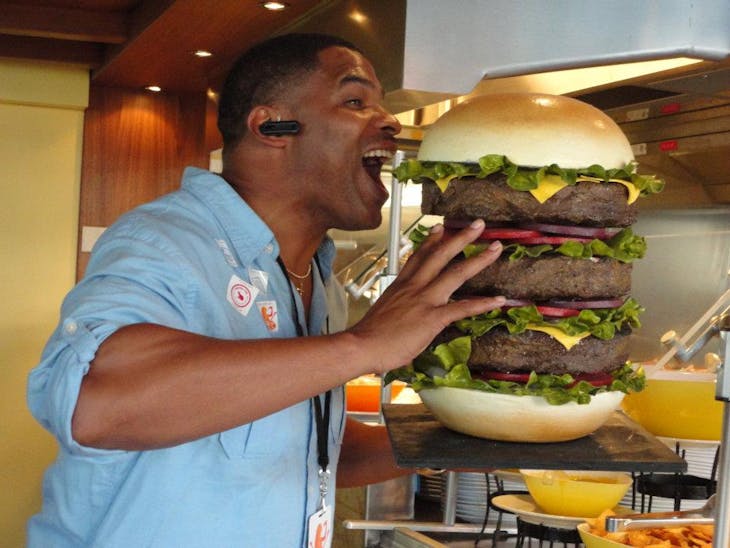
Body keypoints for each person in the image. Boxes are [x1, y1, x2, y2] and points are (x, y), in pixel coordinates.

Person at [26, 33, 505, 547]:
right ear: (271, 127)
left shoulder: (315, 279)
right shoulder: (166, 241)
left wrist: (476, 435)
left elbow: (304, 450)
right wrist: (366, 345)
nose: (389, 121)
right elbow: (97, 408)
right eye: (355, 101)